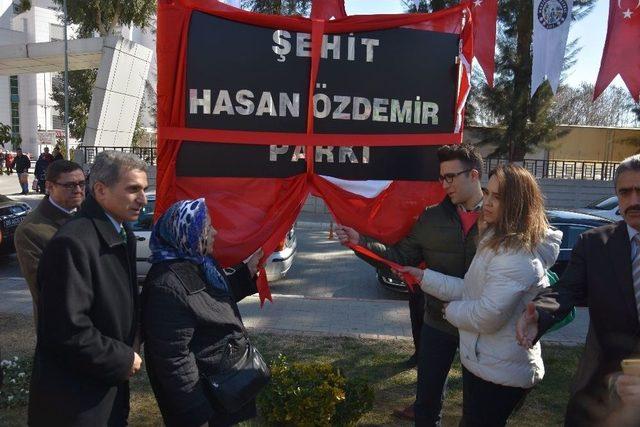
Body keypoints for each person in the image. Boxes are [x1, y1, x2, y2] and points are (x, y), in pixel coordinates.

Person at [398, 164, 562, 426]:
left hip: (501, 370)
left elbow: (487, 315)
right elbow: (471, 290)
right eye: (489, 193)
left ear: (518, 204)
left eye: (498, 197)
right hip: (488, 363)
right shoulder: (497, 241)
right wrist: (424, 278)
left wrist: (446, 311)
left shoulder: (514, 254)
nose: (488, 202)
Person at [336, 143, 485, 425]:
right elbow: (400, 257)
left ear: (474, 175)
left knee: (477, 408)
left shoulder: (500, 216)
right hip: (438, 323)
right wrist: (360, 243)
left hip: (482, 327)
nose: (444, 185)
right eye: (441, 178)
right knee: (427, 404)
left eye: (450, 177)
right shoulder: (430, 217)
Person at [517, 154, 640, 426]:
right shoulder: (595, 244)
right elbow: (566, 291)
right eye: (625, 192)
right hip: (599, 394)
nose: (633, 201)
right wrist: (539, 312)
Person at [28, 151, 148, 426]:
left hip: (103, 388)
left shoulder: (121, 232)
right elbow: (66, 330)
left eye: (144, 190)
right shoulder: (72, 244)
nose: (142, 199)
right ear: (101, 190)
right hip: (76, 401)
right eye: (133, 190)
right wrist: (122, 358)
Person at [142, 198, 263, 427]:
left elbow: (210, 303)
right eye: (207, 228)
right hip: (203, 401)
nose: (215, 232)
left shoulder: (201, 263)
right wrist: (197, 414)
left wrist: (246, 273)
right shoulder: (166, 284)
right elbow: (173, 360)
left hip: (221, 390)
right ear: (188, 234)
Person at [14, 160, 85, 325]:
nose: (78, 190)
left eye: (82, 183)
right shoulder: (30, 230)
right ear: (49, 186)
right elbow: (45, 291)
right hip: (64, 329)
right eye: (69, 185)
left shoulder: (92, 215)